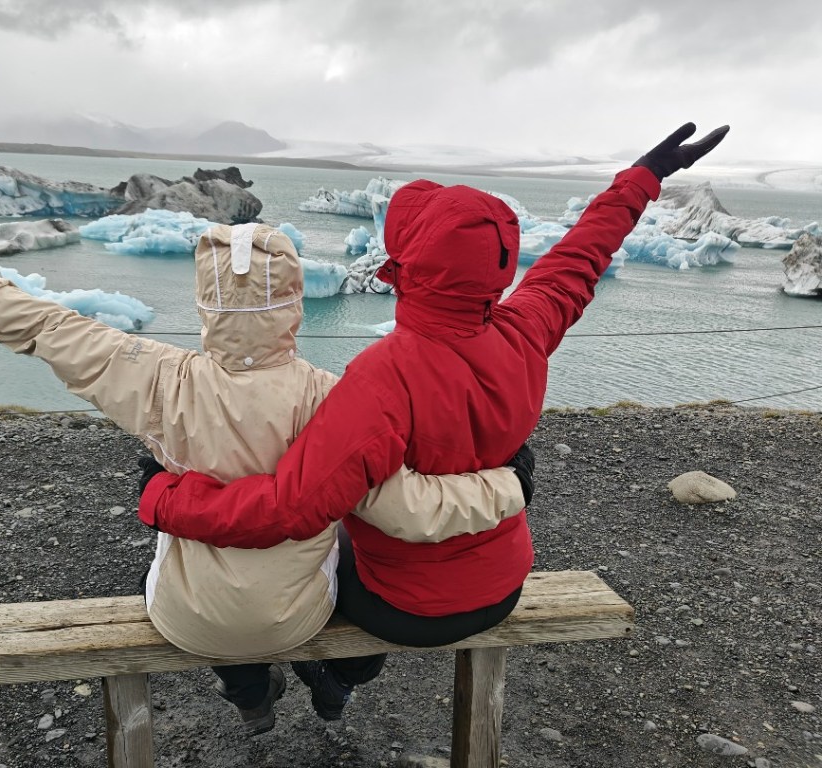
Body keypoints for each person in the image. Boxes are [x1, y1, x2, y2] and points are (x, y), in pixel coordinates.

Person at [0, 172, 535, 734]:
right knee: (359, 547)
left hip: (184, 618)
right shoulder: (338, 397)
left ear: (204, 302)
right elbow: (402, 503)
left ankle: (248, 696)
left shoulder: (155, 378)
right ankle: (334, 682)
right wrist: (506, 485)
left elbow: (38, 324)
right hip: (298, 615)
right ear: (295, 302)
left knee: (179, 537)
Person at [135, 123, 731, 717]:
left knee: (308, 557)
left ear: (405, 266)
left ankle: (283, 681)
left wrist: (164, 498)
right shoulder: (527, 330)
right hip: (503, 588)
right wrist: (643, 177)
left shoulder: (381, 379)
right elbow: (581, 255)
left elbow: (291, 509)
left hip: (406, 609)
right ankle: (337, 683)